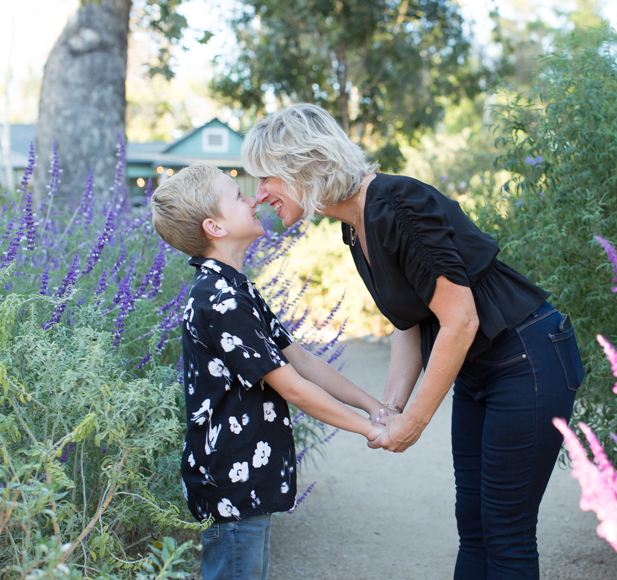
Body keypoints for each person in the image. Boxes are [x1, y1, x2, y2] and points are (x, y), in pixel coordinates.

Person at [242, 103, 585, 580]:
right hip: (481, 372)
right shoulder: (355, 225)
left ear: (302, 164)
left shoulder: (395, 202)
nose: (258, 195)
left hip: (526, 360)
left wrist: (413, 425)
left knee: (506, 535)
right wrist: (392, 409)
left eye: (265, 178)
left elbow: (460, 321)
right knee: (475, 529)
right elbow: (409, 322)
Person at [150, 164, 387, 580]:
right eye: (237, 196)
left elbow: (304, 361)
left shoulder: (237, 289)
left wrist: (375, 408)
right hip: (231, 486)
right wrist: (369, 430)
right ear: (214, 227)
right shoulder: (219, 300)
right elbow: (293, 388)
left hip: (248, 483)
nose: (254, 197)